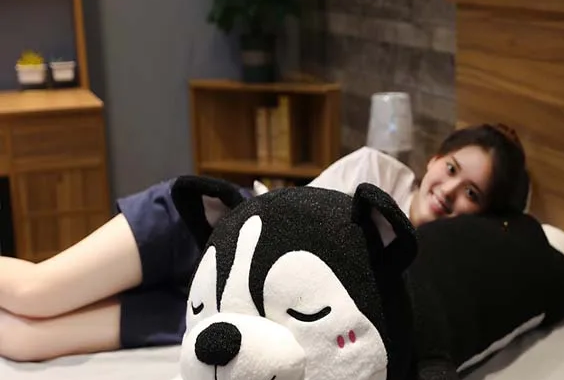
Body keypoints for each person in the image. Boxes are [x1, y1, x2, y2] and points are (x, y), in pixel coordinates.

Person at [0, 123, 530, 362]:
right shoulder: (374, 171)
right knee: (34, 292)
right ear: (434, 159)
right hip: (205, 229)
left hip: (222, 307)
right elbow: (291, 225)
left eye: (472, 193)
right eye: (452, 168)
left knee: (29, 342)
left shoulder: (419, 270)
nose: (449, 191)